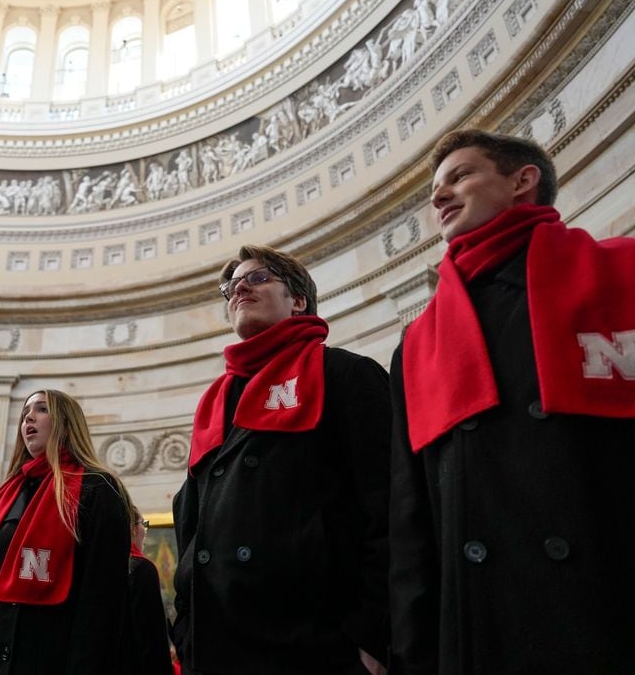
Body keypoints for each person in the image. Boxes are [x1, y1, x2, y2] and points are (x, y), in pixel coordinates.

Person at [388, 129, 635, 674]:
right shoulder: (418, 343)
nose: (438, 196)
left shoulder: (624, 273)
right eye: (435, 187)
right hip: (482, 632)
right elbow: (412, 524)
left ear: (523, 181)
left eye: (460, 175)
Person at [172, 245, 391, 674]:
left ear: (298, 300)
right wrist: (187, 629)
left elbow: (390, 507)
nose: (239, 290)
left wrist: (372, 638)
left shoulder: (347, 375)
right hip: (218, 649)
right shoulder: (214, 403)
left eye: (258, 278)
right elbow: (192, 526)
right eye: (231, 287)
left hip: (315, 650)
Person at [0, 389, 131, 674]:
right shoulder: (5, 494)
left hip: (45, 655)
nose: (28, 417)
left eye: (42, 409)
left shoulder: (97, 488)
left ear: (67, 424)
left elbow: (102, 599)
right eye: (25, 413)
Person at [122, 506, 173, 675]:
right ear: (132, 528)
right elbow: (153, 642)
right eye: (143, 523)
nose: (145, 530)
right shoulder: (140, 569)